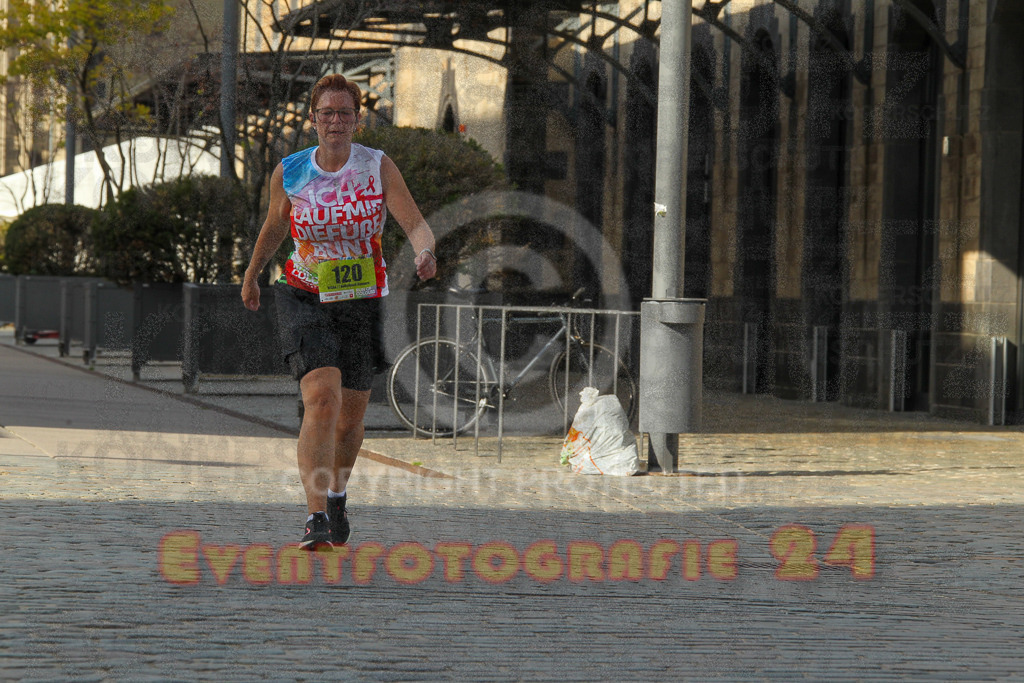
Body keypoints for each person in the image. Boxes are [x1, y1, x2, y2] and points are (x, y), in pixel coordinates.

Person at [242, 74, 437, 549]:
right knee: (321, 399)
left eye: (344, 114)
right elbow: (275, 226)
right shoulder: (290, 171)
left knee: (350, 418)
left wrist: (424, 252)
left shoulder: (377, 166)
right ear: (312, 120)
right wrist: (251, 274)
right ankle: (314, 518)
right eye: (326, 113)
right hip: (304, 291)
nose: (335, 121)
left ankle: (337, 497)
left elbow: (414, 221)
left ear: (356, 120)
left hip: (361, 299)